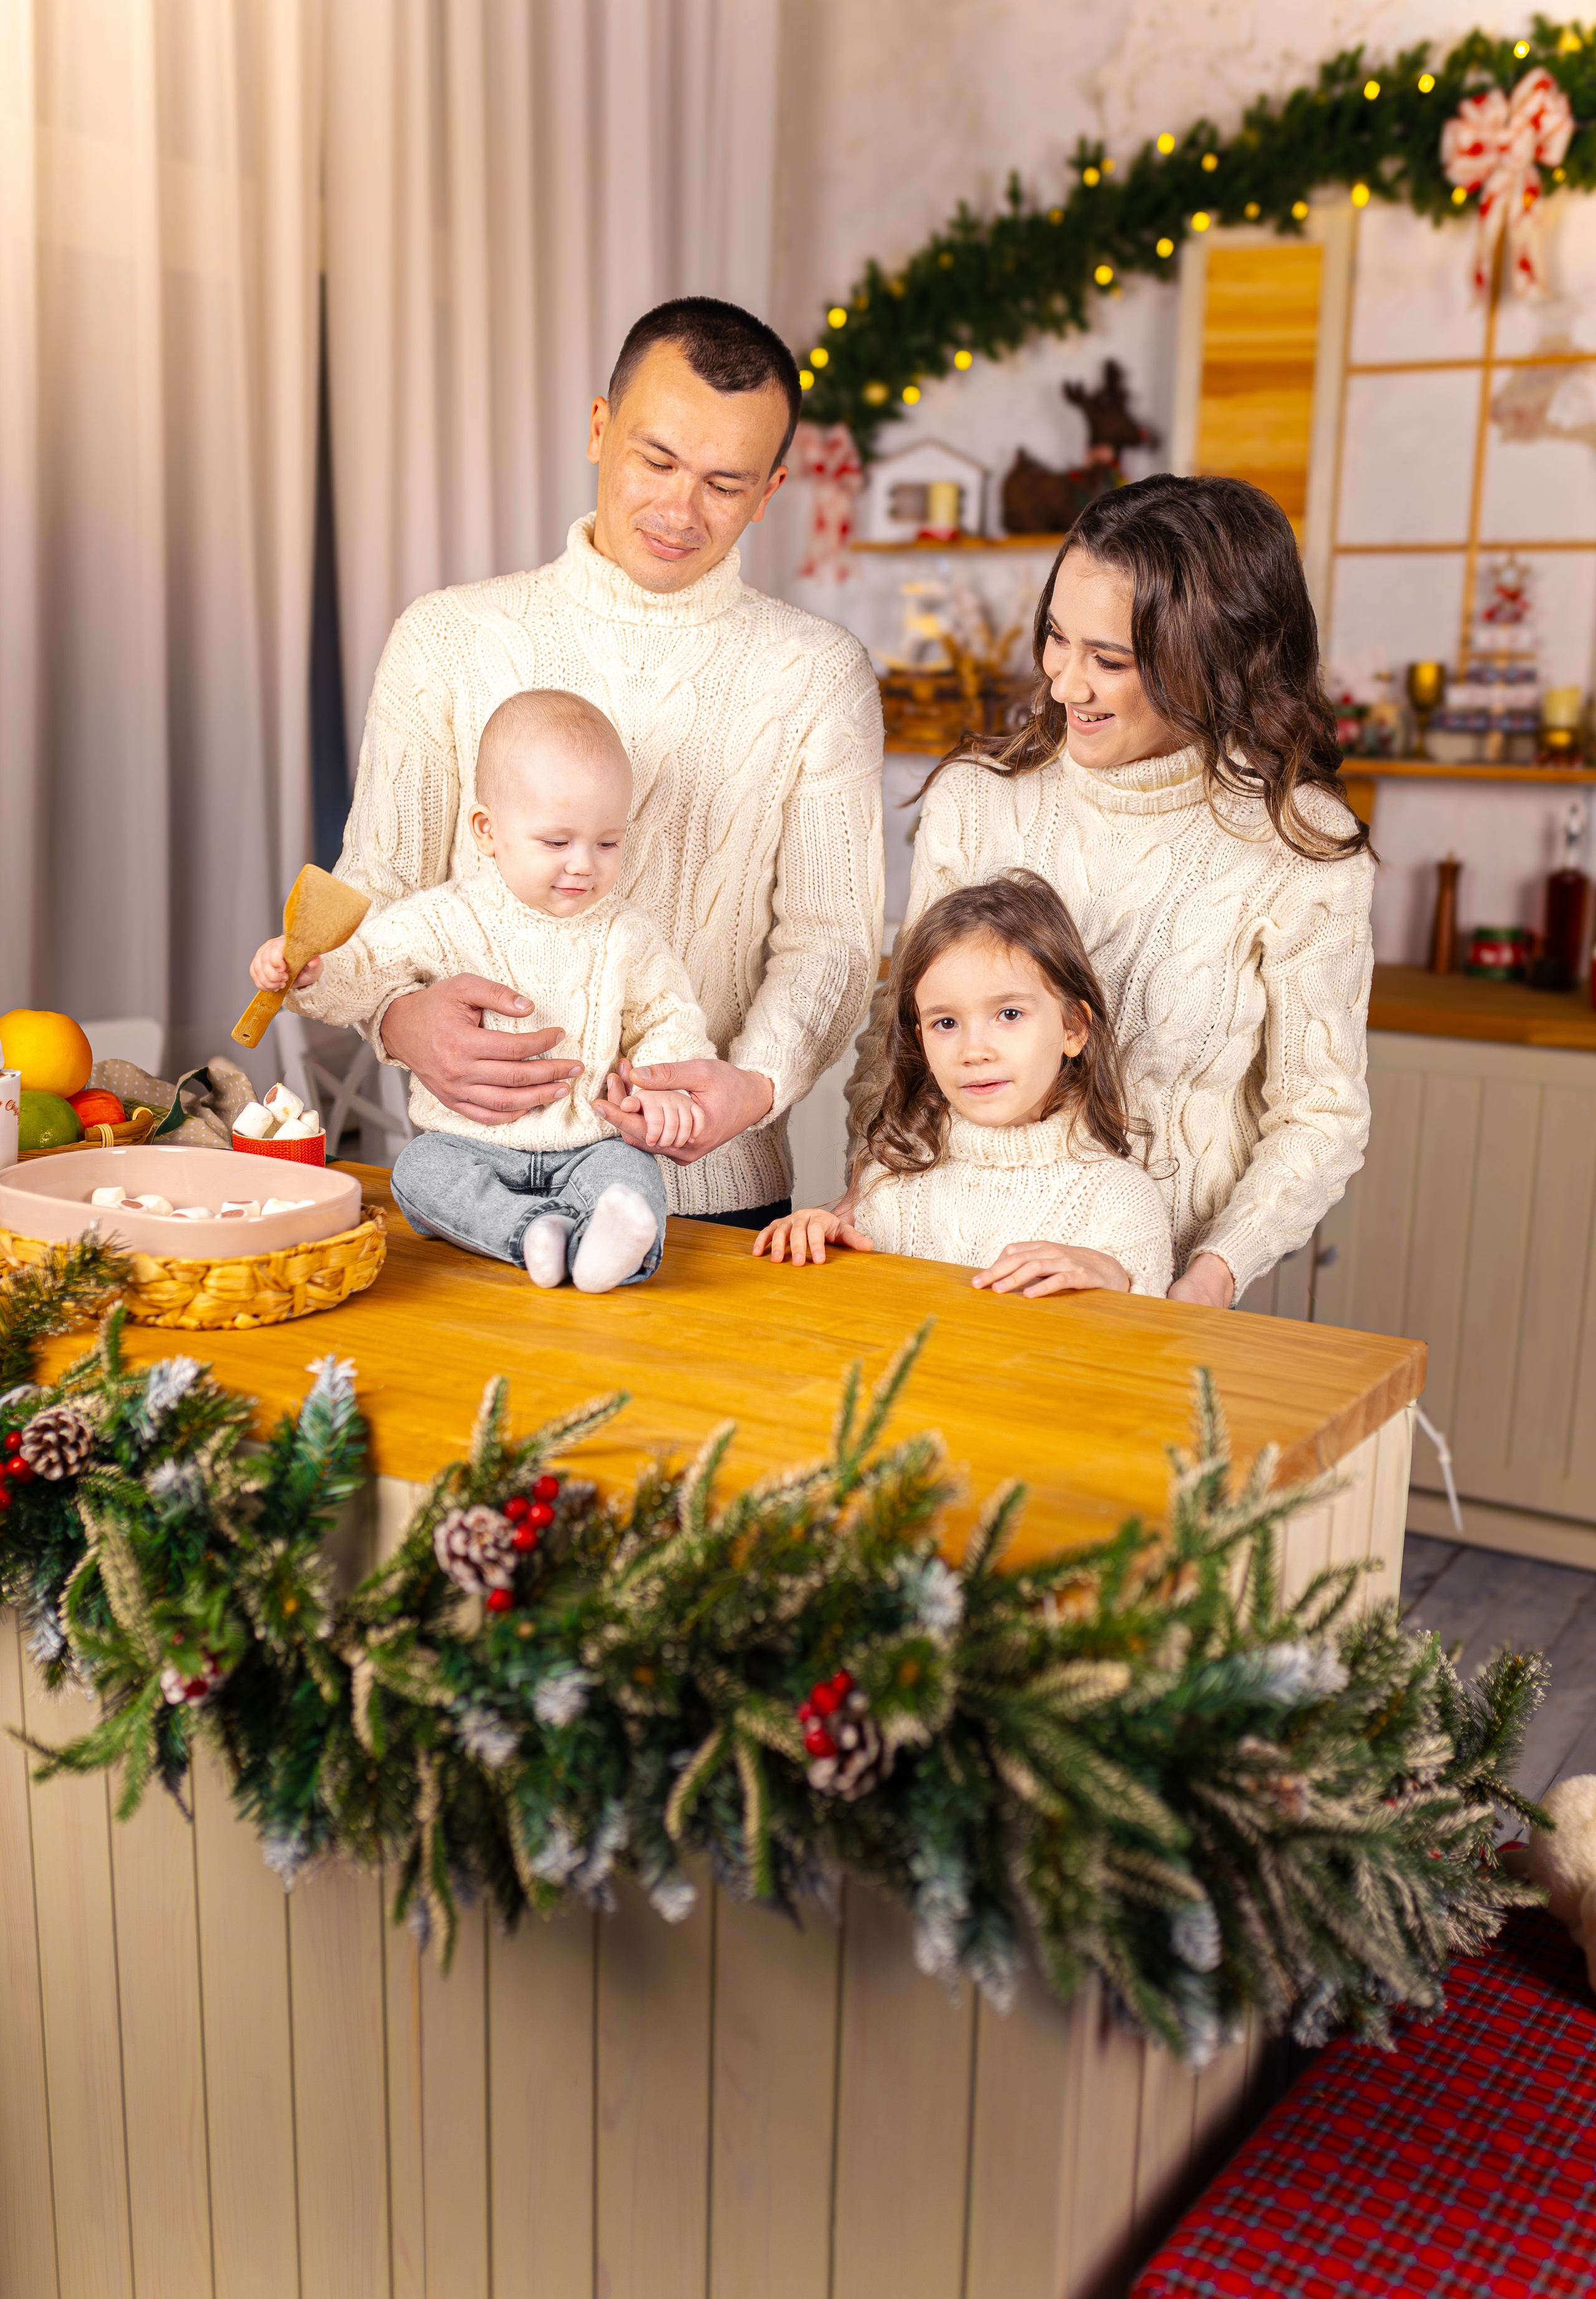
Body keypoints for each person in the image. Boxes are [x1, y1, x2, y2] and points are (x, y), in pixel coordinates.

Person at [332, 296, 883, 1231]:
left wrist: (750, 1086)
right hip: (478, 1179)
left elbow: (831, 940)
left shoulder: (820, 674)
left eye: (725, 482)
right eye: (656, 459)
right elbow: (376, 887)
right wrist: (399, 1019)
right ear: (599, 428)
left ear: (771, 488)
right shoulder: (446, 638)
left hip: (715, 1199)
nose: (679, 508)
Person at [847, 475, 1374, 1308]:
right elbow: (899, 1042)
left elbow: (1320, 1115)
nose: (1065, 684)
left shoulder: (1300, 848)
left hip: (1163, 1299)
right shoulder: (979, 801)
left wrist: (1204, 1280)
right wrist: (868, 1197)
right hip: (946, 1273)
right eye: (1058, 638)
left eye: (1110, 660)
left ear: (1215, 657)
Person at [252, 690, 718, 1293]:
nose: (584, 865)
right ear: (487, 830)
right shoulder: (444, 917)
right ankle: (535, 1233)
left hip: (588, 1145)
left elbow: (670, 1016)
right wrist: (312, 972)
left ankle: (604, 1252)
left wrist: (668, 1087)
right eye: (557, 842)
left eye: (608, 843)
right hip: (469, 1144)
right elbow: (365, 968)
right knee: (419, 1171)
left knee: (634, 1176)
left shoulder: (627, 934)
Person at [757, 874, 1172, 1298]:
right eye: (947, 1023)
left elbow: (1151, 1339)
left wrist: (1117, 1277)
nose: (974, 1050)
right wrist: (819, 1242)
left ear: (1074, 1028)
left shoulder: (1122, 1199)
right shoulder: (895, 1174)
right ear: (922, 1043)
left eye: (1009, 1014)